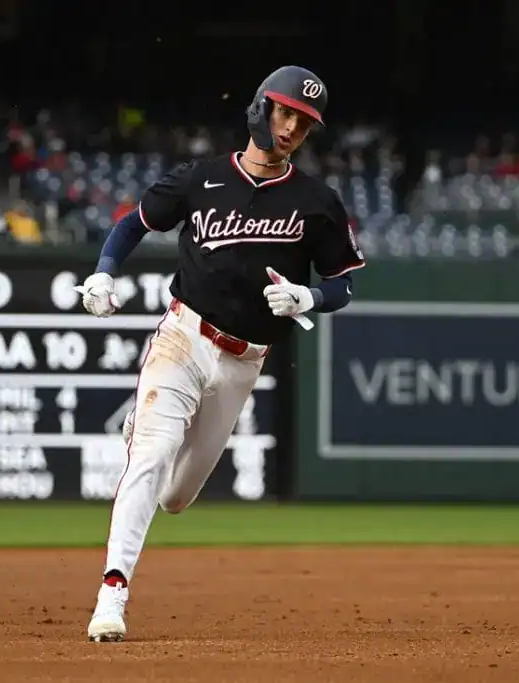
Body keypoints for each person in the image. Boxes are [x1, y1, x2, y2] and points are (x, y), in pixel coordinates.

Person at [79, 66, 366, 642]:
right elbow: (132, 225)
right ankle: (112, 593)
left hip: (243, 361)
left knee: (178, 498)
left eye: (303, 122)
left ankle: (149, 438)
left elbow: (342, 282)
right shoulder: (202, 178)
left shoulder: (316, 201)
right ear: (261, 109)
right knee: (151, 455)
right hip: (184, 337)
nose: (290, 127)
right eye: (284, 112)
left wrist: (309, 294)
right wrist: (104, 273)